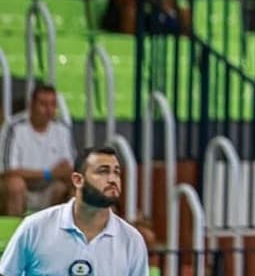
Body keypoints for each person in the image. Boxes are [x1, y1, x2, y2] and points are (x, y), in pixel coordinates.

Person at [0, 145, 149, 275]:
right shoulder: (34, 227)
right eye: (103, 171)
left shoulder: (131, 239)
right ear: (78, 180)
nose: (112, 179)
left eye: (116, 172)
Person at [0, 85, 76, 215]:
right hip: (22, 190)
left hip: (49, 190)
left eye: (53, 104)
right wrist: (49, 173)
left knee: (72, 186)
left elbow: (68, 169)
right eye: (43, 104)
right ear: (32, 105)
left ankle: (62, 232)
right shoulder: (14, 127)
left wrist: (59, 173)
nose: (49, 110)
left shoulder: (62, 129)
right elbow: (8, 172)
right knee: (15, 185)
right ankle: (16, 233)